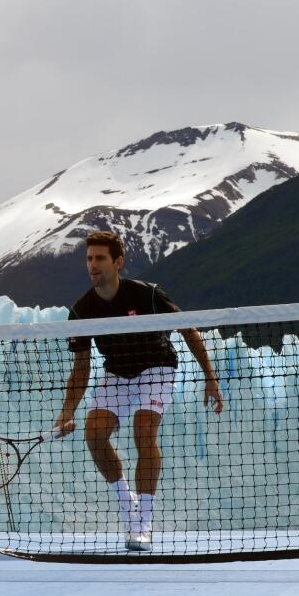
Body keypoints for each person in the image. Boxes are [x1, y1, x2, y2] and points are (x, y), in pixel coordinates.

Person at [55, 231, 223, 551]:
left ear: (117, 262)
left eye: (100, 258)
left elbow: (189, 329)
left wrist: (210, 378)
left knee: (143, 430)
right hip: (117, 373)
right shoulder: (81, 311)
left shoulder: (147, 295)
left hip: (157, 366)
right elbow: (81, 369)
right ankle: (127, 501)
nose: (93, 264)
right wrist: (66, 412)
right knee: (93, 434)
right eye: (89, 258)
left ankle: (143, 522)